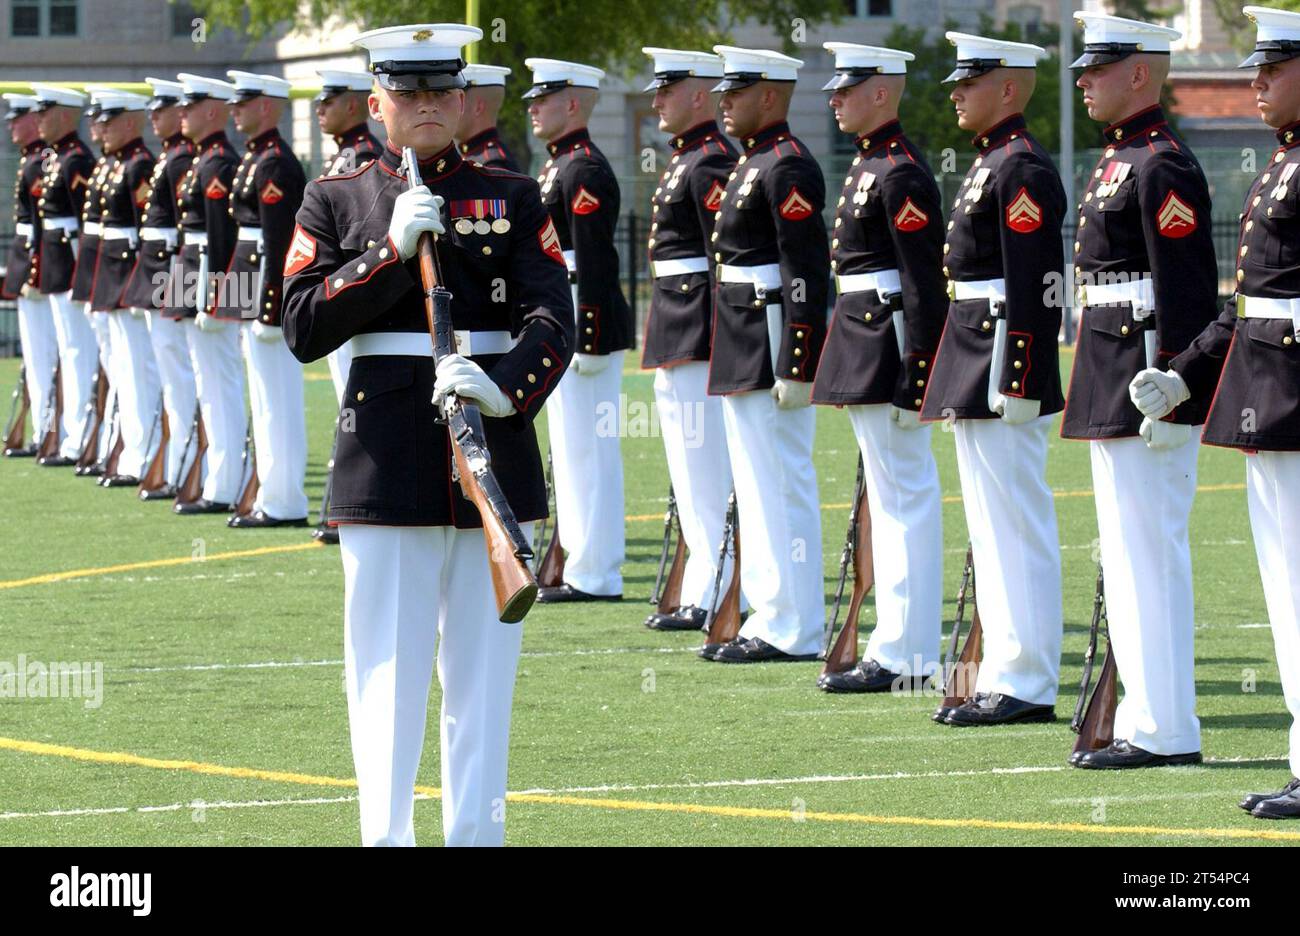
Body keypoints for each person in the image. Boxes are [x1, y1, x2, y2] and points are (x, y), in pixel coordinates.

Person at [281, 23, 573, 846]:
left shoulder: (512, 195)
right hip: (388, 459)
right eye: (405, 95)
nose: (424, 108)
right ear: (376, 104)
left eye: (439, 93)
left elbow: (556, 315)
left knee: (482, 679)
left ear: (463, 101)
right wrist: (384, 252)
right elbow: (300, 323)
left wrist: (507, 388)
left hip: (492, 449)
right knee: (388, 673)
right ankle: (387, 839)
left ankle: (476, 837)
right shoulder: (333, 200)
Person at [1130, 3, 1300, 814]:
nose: (1256, 83)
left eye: (1272, 69)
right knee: (1286, 583)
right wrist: (1184, 375)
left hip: (1295, 396)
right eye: (1256, 69)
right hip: (1270, 399)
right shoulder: (1282, 163)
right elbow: (1247, 302)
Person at [1063, 12, 1217, 768]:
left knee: (1146, 551)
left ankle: (1164, 728)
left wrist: (1177, 387)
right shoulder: (1120, 157)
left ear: (1139, 73)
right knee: (1125, 553)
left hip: (1145, 379)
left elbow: (1186, 291)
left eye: (1099, 68)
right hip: (1110, 367)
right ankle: (1142, 718)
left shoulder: (1162, 163)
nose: (1083, 80)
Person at [919, 33, 1066, 724]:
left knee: (1015, 521)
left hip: (1003, 356)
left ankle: (1028, 678)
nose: (955, 91)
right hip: (975, 351)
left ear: (1007, 88)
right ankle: (1006, 668)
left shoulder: (1022, 168)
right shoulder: (995, 163)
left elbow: (1034, 284)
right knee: (990, 522)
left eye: (968, 81)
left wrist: (1023, 376)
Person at [812, 43, 946, 692]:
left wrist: (919, 372)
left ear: (884, 91)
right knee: (889, 498)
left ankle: (910, 652)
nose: (835, 97)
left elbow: (923, 284)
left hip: (890, 349)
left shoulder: (900, 172)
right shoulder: (873, 164)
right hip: (868, 343)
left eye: (849, 87)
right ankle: (897, 645)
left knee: (905, 499)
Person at [702, 45, 829, 663]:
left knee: (779, 478)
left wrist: (798, 362)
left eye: (738, 90)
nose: (723, 100)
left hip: (770, 331)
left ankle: (795, 624)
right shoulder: (755, 161)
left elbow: (805, 271)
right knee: (756, 481)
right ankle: (771, 612)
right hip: (742, 328)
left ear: (772, 96)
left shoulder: (787, 166)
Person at [524, 57, 632, 602]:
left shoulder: (583, 168)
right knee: (571, 447)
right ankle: (580, 563)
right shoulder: (560, 166)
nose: (533, 108)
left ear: (572, 102)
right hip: (562, 311)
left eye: (543, 99)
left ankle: (596, 571)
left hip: (580, 319)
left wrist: (588, 334)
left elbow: (593, 260)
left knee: (588, 448)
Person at [638, 47, 738, 632]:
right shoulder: (691, 158)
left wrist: (724, 342)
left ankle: (721, 587)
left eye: (667, 89)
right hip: (678, 329)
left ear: (699, 94)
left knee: (707, 471)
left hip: (701, 331)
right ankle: (708, 581)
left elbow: (721, 261)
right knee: (689, 469)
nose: (656, 100)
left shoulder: (711, 161)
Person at [218, 70, 309, 527]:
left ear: (268, 106)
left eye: (245, 102)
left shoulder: (275, 163)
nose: (235, 110)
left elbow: (280, 244)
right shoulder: (258, 158)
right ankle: (273, 495)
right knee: (264, 397)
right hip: (249, 285)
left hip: (264, 293)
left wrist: (272, 309)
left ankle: (284, 499)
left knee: (277, 401)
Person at [162, 73, 245, 514]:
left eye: (189, 108)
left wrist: (217, 298)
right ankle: (217, 477)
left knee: (219, 383)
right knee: (205, 382)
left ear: (211, 111)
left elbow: (221, 239)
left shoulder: (217, 164)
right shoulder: (201, 162)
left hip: (208, 279)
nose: (181, 115)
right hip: (191, 272)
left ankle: (225, 481)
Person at [311, 68, 385, 543]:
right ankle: (341, 505)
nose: (321, 108)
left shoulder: (363, 157)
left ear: (354, 104)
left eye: (330, 100)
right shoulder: (346, 155)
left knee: (353, 402)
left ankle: (351, 505)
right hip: (343, 294)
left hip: (356, 298)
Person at [122, 77, 198, 500]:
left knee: (180, 368)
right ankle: (176, 459)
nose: (157, 117)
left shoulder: (182, 157)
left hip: (176, 271)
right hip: (161, 269)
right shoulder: (171, 156)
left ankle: (186, 460)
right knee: (169, 368)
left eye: (163, 110)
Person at [88, 90, 163, 488]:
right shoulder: (116, 164)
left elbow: (142, 232)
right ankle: (129, 450)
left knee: (139, 371)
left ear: (129, 122)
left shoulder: (138, 166)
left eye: (108, 120)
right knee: (122, 369)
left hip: (129, 277)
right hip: (111, 276)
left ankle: (144, 453)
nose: (99, 126)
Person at [30, 84, 96, 468]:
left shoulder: (75, 160)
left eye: (46, 112)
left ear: (67, 116)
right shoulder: (56, 158)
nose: (39, 119)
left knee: (78, 354)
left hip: (72, 270)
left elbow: (83, 225)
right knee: (68, 352)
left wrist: (82, 276)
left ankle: (79, 436)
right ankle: (72, 435)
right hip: (56, 269)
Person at [1, 93, 58, 458]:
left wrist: (34, 275)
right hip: (27, 267)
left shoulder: (41, 162)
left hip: (38, 272)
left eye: (17, 119)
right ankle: (43, 428)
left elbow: (42, 226)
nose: (10, 125)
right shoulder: (30, 161)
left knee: (47, 358)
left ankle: (49, 430)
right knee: (36, 358)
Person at [455, 64, 522, 172]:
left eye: (459, 101)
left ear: (478, 108)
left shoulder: (491, 165)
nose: (451, 109)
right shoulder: (475, 158)